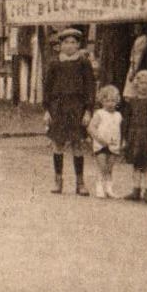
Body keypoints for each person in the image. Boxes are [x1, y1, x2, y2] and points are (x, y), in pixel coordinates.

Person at [42, 27, 96, 197]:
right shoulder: (55, 63)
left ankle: (80, 183)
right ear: (60, 45)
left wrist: (88, 111)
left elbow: (90, 88)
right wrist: (47, 110)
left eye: (73, 42)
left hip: (77, 107)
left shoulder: (83, 63)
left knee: (77, 143)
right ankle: (58, 181)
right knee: (58, 143)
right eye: (66, 42)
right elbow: (47, 88)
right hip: (58, 108)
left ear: (78, 45)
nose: (70, 46)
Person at [122, 67, 147, 201]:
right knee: (136, 164)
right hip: (134, 135)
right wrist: (124, 138)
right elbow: (126, 121)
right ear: (136, 84)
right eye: (142, 83)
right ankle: (136, 190)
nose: (144, 86)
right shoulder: (132, 102)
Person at [87, 85, 123, 199]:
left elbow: (119, 130)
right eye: (107, 101)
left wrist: (121, 142)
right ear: (102, 101)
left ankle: (109, 189)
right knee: (102, 166)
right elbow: (91, 128)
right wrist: (99, 139)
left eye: (113, 101)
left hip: (113, 144)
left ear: (117, 101)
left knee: (109, 168)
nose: (110, 103)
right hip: (101, 144)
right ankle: (99, 188)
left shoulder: (118, 115)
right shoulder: (99, 113)